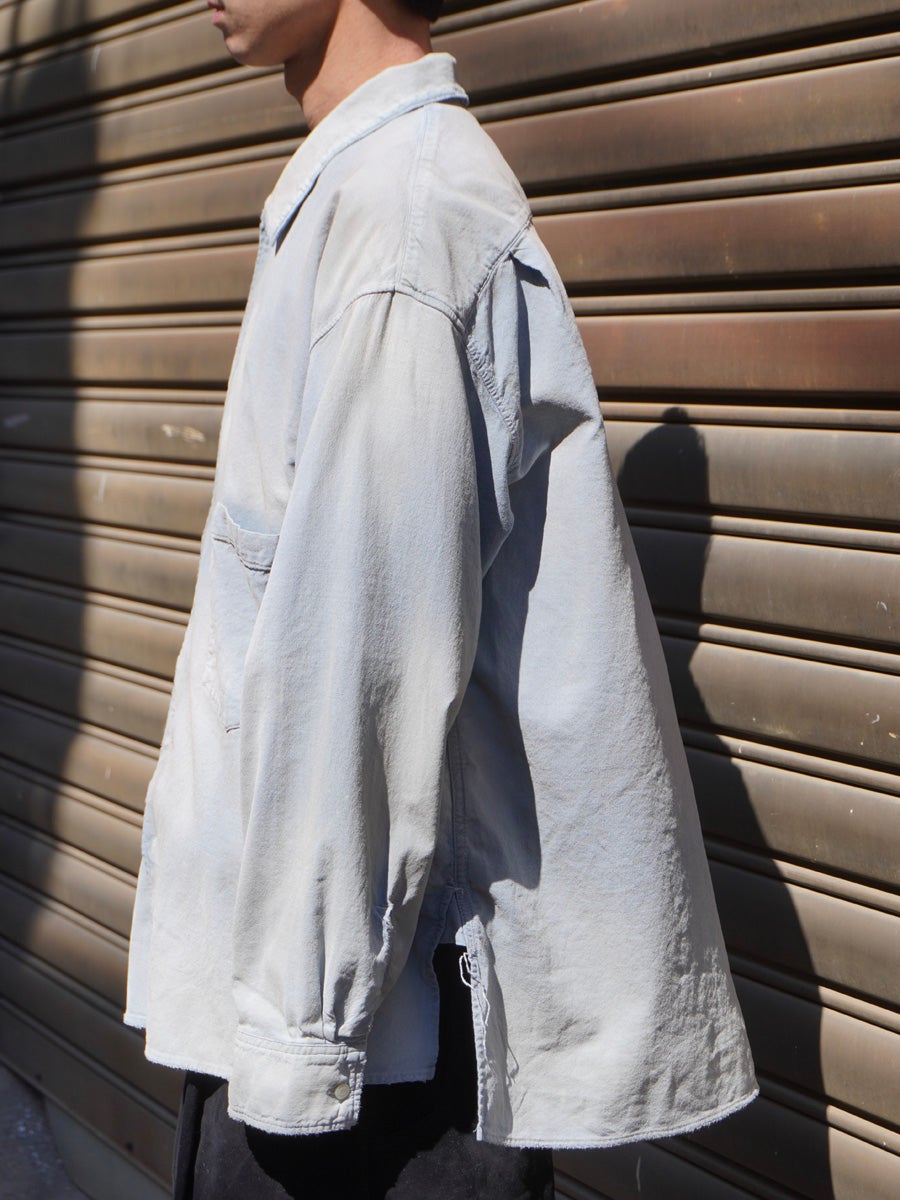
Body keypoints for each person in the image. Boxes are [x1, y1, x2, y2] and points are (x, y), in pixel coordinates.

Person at [124, 1, 758, 1196]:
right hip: (336, 1008)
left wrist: (299, 1043)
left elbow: (357, 672)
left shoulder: (402, 231)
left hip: (372, 1059)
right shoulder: (367, 202)